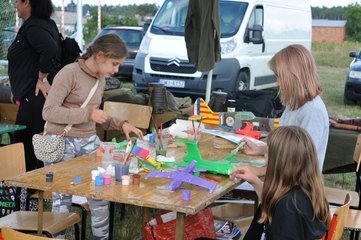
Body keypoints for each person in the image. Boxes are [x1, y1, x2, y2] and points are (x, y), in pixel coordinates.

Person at [42, 34, 143, 240]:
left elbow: (97, 115)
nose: (116, 70)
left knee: (100, 197)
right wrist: (87, 114)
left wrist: (121, 123)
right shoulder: (68, 73)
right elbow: (49, 112)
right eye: (114, 64)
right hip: (60, 142)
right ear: (99, 55)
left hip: (88, 142)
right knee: (62, 200)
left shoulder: (100, 79)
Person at [241, 44, 329, 175]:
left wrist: (260, 171)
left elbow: (302, 164)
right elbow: (287, 148)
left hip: (299, 189)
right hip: (284, 183)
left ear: (294, 76)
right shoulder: (294, 103)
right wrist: (261, 150)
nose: (277, 83)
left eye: (279, 76)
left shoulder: (312, 111)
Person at [230, 126, 329, 239]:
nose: (265, 158)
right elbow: (274, 203)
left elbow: (279, 211)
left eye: (267, 153)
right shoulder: (310, 192)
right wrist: (255, 182)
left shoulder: (287, 208)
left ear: (279, 163)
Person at [7, 0, 61, 171]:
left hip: (35, 99)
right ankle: (29, 193)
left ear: (26, 2)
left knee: (27, 149)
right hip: (31, 97)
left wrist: (42, 78)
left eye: (17, 1)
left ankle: (28, 192)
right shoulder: (45, 24)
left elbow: (50, 50)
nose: (15, 5)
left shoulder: (34, 27)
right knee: (28, 146)